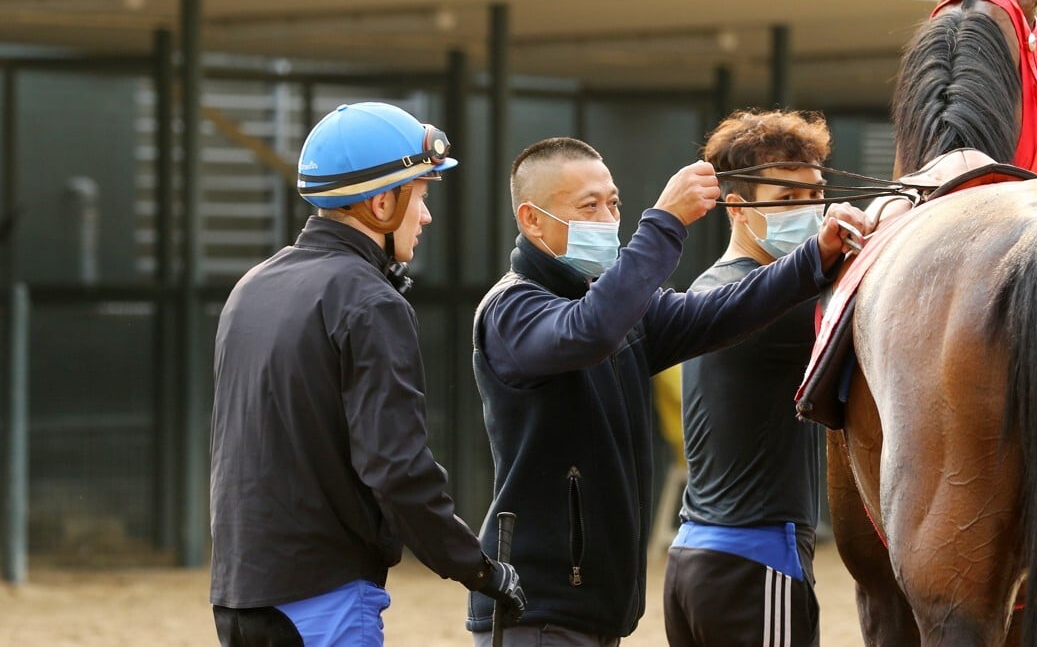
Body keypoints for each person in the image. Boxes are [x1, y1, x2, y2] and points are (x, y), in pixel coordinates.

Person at [466, 135, 870, 646]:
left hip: (593, 610)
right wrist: (666, 220)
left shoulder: (617, 307)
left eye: (613, 203)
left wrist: (818, 252)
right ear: (532, 220)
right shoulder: (511, 310)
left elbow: (722, 311)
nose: (607, 218)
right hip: (537, 606)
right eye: (588, 206)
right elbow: (590, 330)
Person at [210, 102, 525, 647]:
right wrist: (478, 568)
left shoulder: (252, 286)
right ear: (382, 202)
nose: (425, 215)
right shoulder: (368, 301)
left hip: (238, 597)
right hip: (324, 597)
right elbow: (397, 468)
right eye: (420, 195)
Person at [663, 109, 832, 647]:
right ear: (737, 208)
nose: (809, 213)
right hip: (757, 562)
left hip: (697, 560)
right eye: (786, 201)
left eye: (816, 195)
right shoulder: (766, 305)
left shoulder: (712, 288)